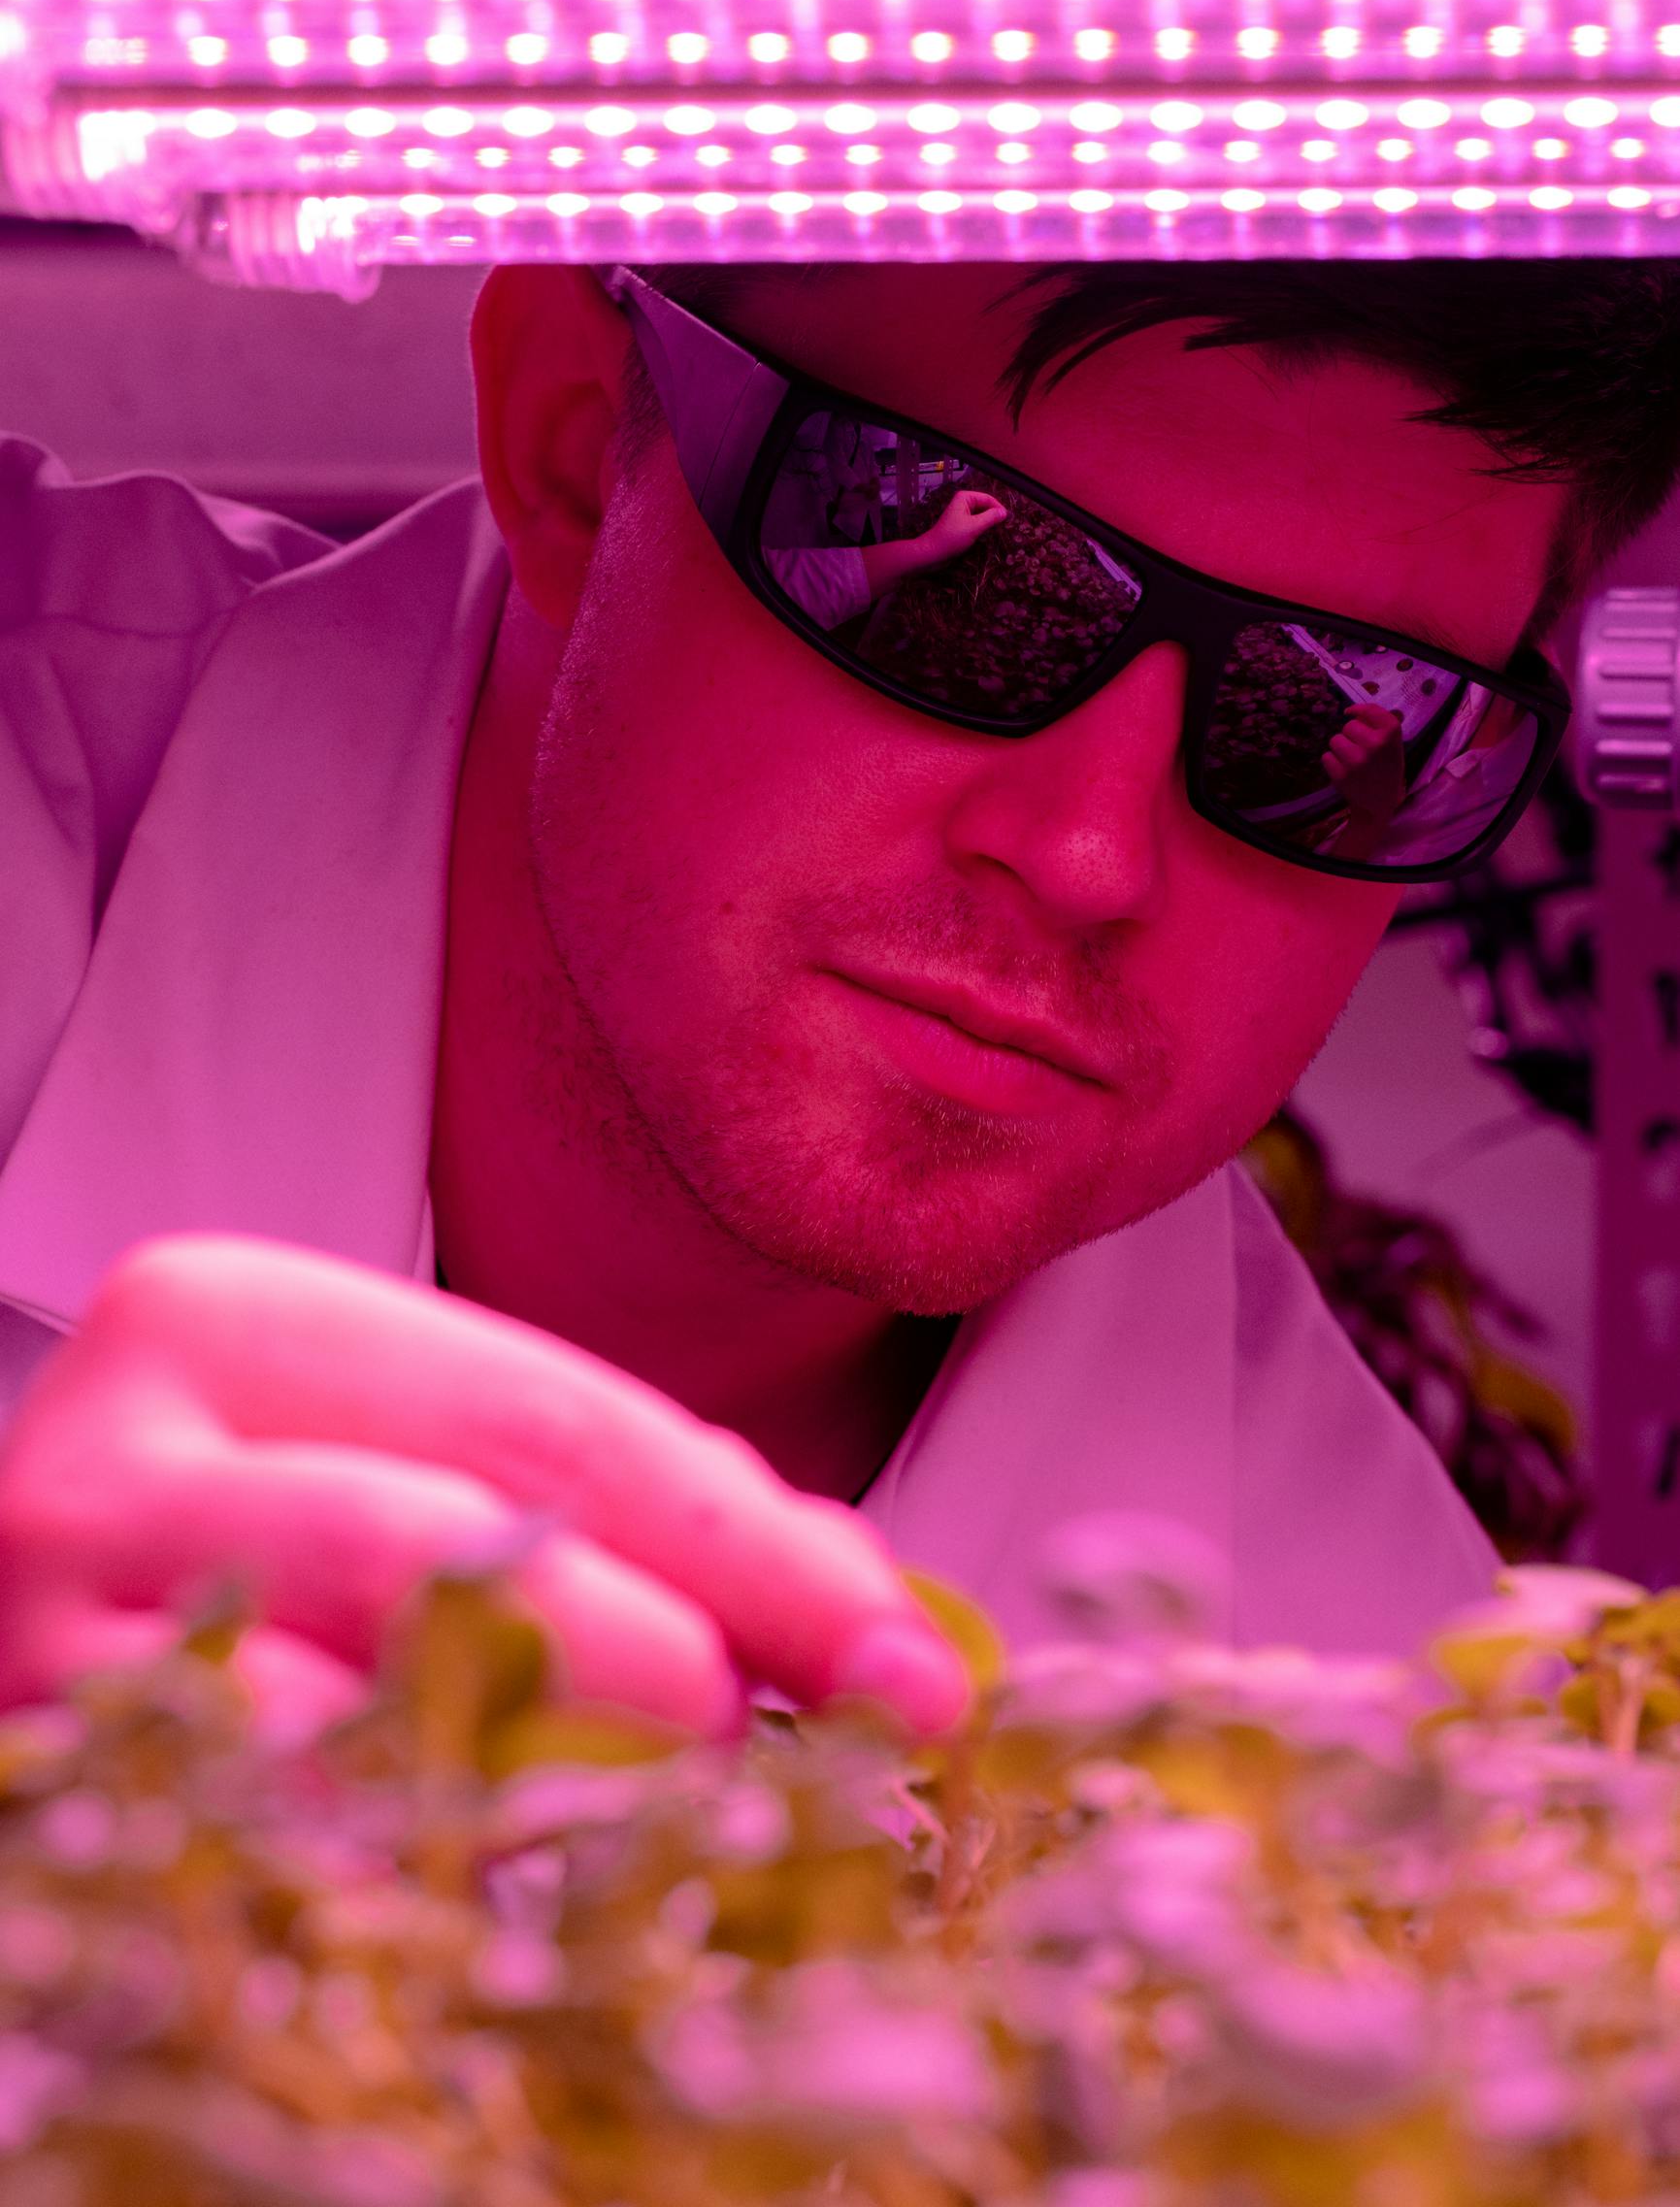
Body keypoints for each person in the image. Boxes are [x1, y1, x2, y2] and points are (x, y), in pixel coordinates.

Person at [2, 257, 1677, 1749]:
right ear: (578, 453)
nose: (1090, 853)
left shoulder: (1348, 1684)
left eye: (1327, 719)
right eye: (957, 582)